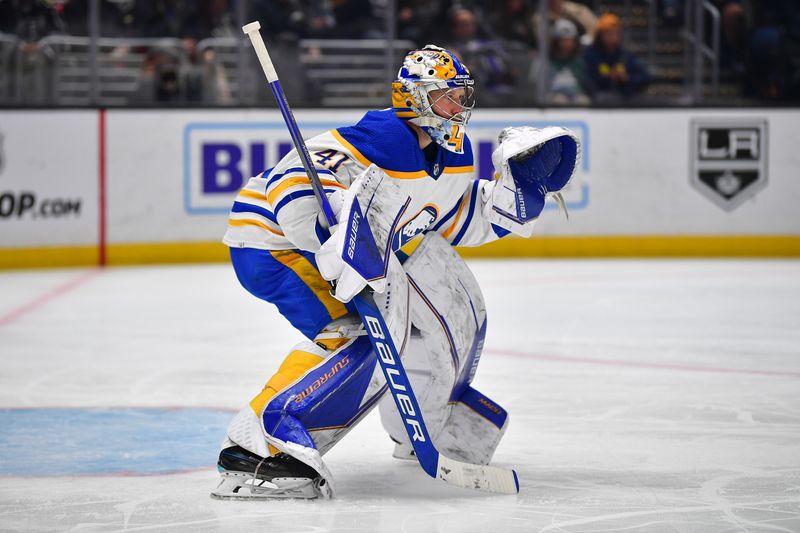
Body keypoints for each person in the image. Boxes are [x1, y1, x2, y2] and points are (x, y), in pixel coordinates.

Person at [212, 45, 579, 499]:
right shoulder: (377, 138)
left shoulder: (451, 154)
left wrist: (509, 202)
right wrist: (328, 232)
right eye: (447, 98)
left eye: (462, 97)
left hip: (322, 255)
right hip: (275, 246)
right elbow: (292, 181)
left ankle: (421, 426)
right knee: (353, 336)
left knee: (417, 331)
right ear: (415, 99)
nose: (459, 109)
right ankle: (256, 448)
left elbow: (452, 220)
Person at [583, 13, 650, 102]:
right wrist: (608, 76)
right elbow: (586, 79)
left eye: (616, 33)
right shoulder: (590, 54)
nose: (613, 37)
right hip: (598, 98)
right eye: (608, 33)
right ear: (599, 35)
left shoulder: (625, 55)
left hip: (624, 97)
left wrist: (626, 78)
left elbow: (645, 77)